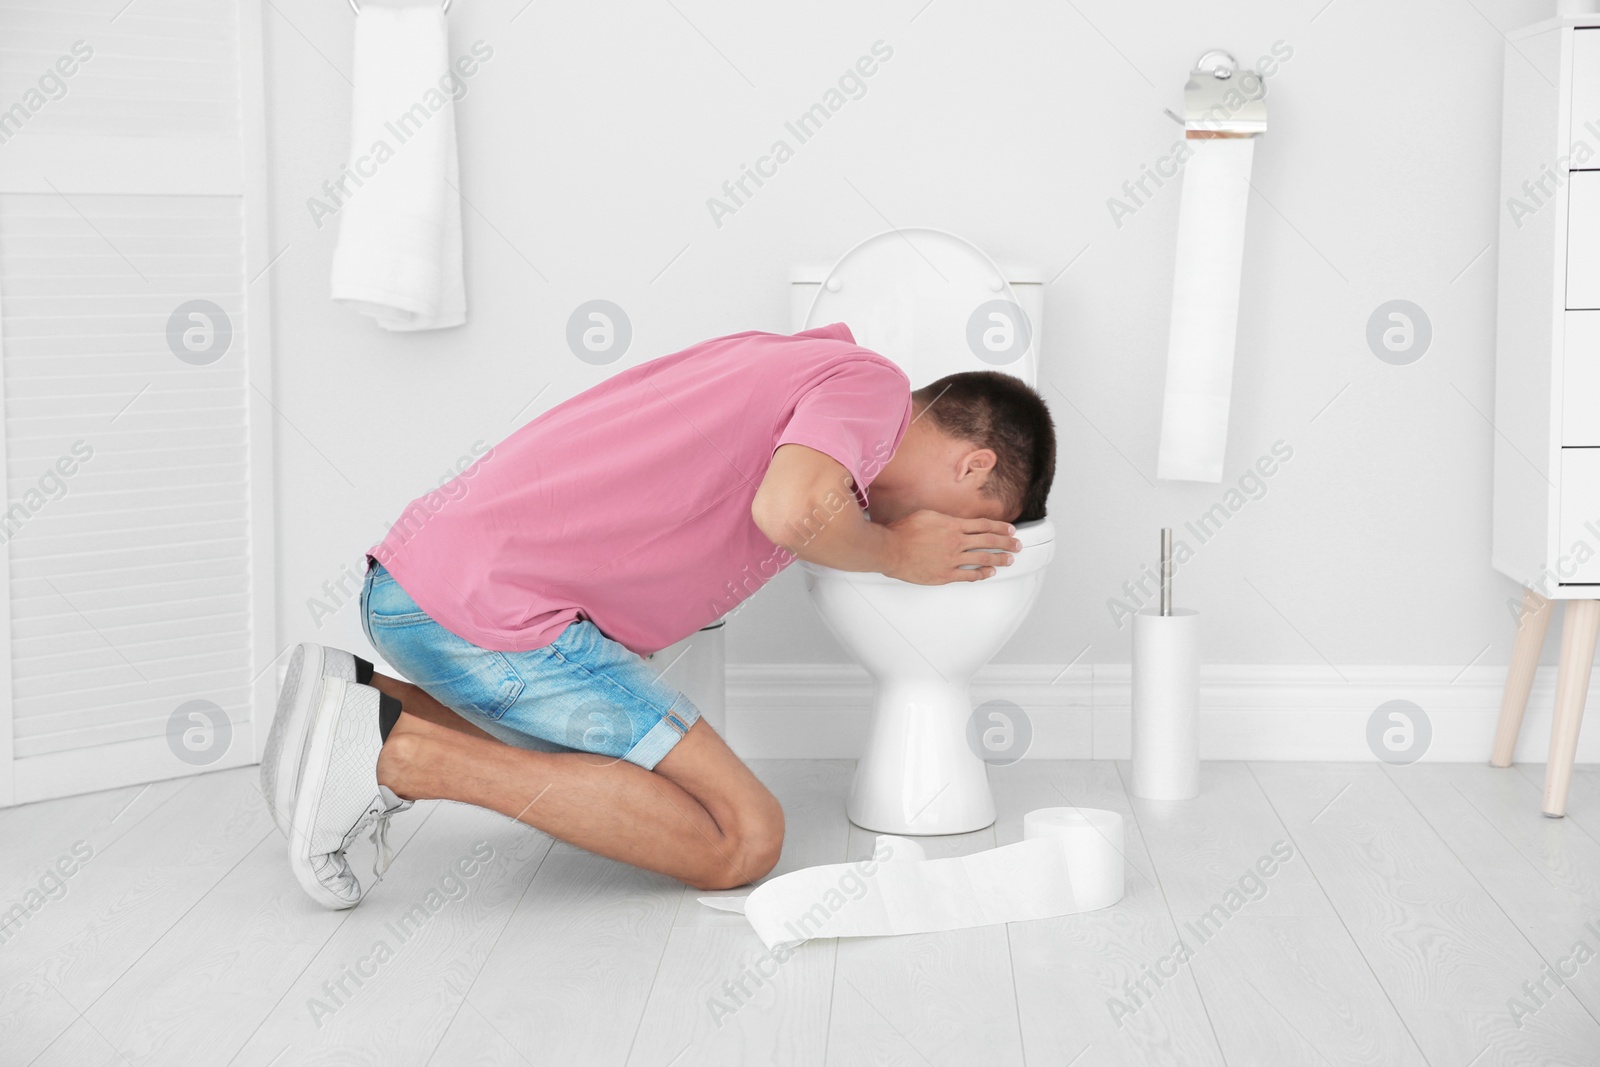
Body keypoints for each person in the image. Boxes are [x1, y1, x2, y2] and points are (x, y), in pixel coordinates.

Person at [260, 323, 1056, 909]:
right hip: (496, 612)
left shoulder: (802, 366)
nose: (962, 546)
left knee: (626, 792)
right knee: (743, 837)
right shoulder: (871, 388)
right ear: (974, 463)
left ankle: (364, 699)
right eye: (979, 522)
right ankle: (395, 757)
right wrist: (895, 553)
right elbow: (786, 510)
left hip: (428, 586)